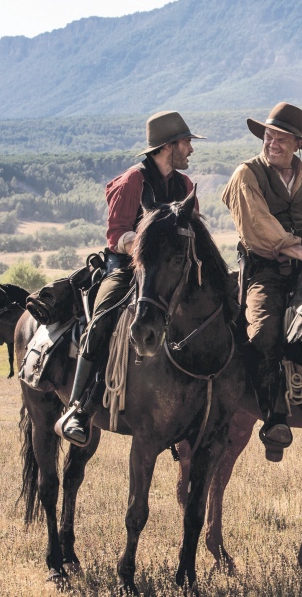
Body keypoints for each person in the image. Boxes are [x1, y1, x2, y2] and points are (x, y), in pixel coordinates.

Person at [56, 111, 205, 445]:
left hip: (169, 269)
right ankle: (78, 408)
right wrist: (145, 246)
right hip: (125, 267)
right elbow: (116, 235)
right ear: (169, 146)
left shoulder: (183, 186)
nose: (190, 151)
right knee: (103, 317)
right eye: (186, 143)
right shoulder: (132, 181)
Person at [221, 102, 302, 460]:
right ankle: (273, 417)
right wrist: (299, 250)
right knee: (263, 331)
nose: (272, 143)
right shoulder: (247, 175)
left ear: (297, 144)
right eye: (269, 136)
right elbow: (257, 226)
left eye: (281, 139)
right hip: (264, 270)